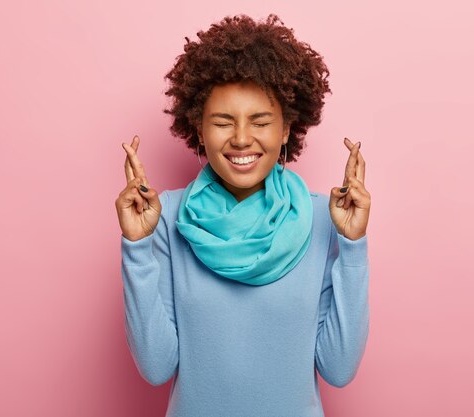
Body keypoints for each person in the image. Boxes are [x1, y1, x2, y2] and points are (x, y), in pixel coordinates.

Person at [114, 13, 371, 417]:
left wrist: (353, 247)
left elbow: (338, 369)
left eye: (260, 121)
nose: (240, 139)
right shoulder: (164, 218)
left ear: (287, 128)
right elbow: (155, 366)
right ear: (198, 129)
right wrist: (136, 245)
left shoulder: (327, 218)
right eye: (222, 122)